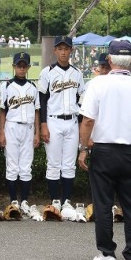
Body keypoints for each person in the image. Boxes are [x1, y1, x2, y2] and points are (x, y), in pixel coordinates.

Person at [78, 40, 131, 260]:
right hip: (130, 150)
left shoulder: (98, 84)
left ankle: (107, 253)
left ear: (110, 60)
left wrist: (83, 148)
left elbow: (88, 120)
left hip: (103, 150)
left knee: (103, 203)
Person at [38, 36, 85, 215]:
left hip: (72, 121)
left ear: (71, 50)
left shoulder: (77, 73)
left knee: (68, 165)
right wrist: (43, 124)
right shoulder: (47, 72)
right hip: (53, 120)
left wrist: (81, 126)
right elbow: (42, 100)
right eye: (60, 48)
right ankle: (55, 201)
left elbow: (82, 99)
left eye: (66, 48)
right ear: (55, 50)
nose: (63, 51)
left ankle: (66, 201)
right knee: (53, 164)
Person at [0, 52, 40, 216]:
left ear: (28, 67)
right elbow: (2, 111)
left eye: (24, 66)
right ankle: (14, 200)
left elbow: (37, 112)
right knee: (12, 165)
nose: (21, 68)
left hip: (28, 127)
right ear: (14, 67)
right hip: (12, 126)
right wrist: (1, 132)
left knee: (25, 166)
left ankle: (24, 201)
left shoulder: (33, 87)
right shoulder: (7, 86)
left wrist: (37, 133)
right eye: (19, 65)